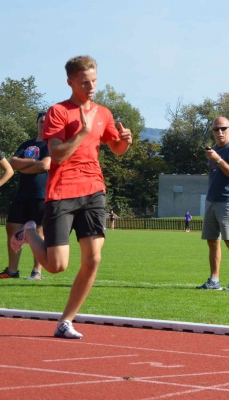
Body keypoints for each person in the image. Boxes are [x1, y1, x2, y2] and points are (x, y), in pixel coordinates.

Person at [10, 55, 133, 339]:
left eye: (94, 81)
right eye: (84, 82)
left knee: (93, 259)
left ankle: (66, 320)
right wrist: (84, 131)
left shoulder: (103, 112)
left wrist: (125, 140)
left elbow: (116, 148)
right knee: (56, 266)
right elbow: (58, 155)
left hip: (93, 190)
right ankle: (29, 232)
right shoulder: (58, 112)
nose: (91, 87)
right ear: (70, 82)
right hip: (62, 192)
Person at [196, 117, 229, 292]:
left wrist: (217, 160)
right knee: (212, 242)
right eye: (216, 129)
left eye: (223, 128)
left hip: (227, 202)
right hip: (211, 200)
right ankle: (214, 280)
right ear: (212, 132)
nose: (220, 132)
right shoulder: (214, 150)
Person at [2, 112, 51, 281]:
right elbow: (13, 163)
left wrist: (24, 165)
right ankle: (12, 271)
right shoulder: (27, 144)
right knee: (12, 228)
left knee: (38, 231)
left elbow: (45, 165)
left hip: (41, 194)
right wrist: (32, 164)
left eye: (47, 122)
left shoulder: (52, 144)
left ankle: (37, 271)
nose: (44, 124)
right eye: (41, 121)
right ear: (36, 123)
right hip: (22, 193)